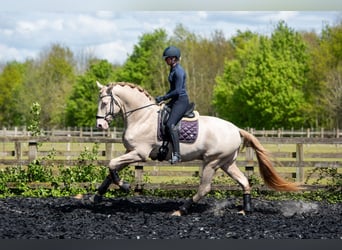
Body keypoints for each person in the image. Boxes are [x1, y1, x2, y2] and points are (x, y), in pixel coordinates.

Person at [155, 46, 190, 164]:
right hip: (174, 100)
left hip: (181, 101)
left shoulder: (179, 72)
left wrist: (163, 97)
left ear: (173, 59)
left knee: (170, 124)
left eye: (167, 59)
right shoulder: (172, 69)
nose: (165, 61)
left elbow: (178, 90)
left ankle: (177, 155)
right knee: (160, 115)